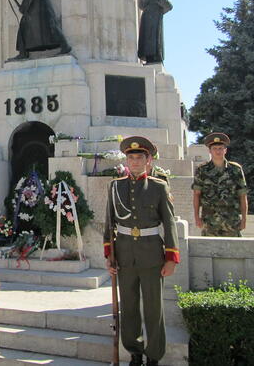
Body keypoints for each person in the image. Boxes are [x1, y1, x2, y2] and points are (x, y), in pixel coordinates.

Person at [103, 136, 180, 366]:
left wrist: (171, 258)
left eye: (139, 158)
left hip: (151, 256)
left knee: (154, 309)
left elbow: (169, 223)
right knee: (128, 307)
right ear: (126, 161)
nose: (134, 162)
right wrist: (109, 254)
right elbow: (109, 223)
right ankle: (134, 352)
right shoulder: (115, 186)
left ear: (148, 160)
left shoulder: (158, 186)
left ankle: (153, 355)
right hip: (125, 256)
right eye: (131, 158)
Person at [192, 132, 248, 237]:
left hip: (231, 221)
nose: (218, 151)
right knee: (209, 251)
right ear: (210, 151)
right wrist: (196, 217)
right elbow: (196, 194)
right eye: (215, 149)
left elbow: (242, 195)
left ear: (225, 150)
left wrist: (244, 219)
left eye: (221, 148)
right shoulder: (202, 170)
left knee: (232, 251)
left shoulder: (235, 170)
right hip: (209, 222)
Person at [138, 0, 173, 64]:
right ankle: (153, 57)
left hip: (151, 14)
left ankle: (153, 57)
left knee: (151, 37)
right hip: (153, 16)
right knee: (153, 38)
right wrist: (169, 5)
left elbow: (140, 2)